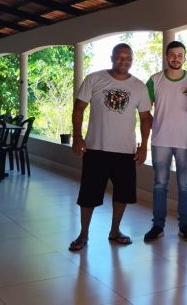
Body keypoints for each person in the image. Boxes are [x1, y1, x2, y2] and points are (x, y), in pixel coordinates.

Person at [68, 43, 152, 251]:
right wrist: (77, 137)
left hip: (125, 151)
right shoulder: (94, 79)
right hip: (96, 148)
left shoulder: (139, 86)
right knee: (88, 195)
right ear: (112, 57)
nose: (123, 61)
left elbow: (145, 119)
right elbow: (78, 108)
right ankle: (83, 234)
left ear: (132, 59)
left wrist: (144, 147)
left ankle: (115, 231)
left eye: (128, 57)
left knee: (123, 194)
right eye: (119, 57)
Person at [144, 41, 187, 243]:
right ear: (166, 57)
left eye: (180, 55)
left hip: (185, 142)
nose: (176, 58)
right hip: (160, 141)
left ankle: (185, 226)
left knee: (185, 186)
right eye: (172, 55)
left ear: (184, 57)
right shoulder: (154, 80)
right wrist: (154, 124)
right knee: (160, 185)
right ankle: (158, 225)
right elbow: (143, 109)